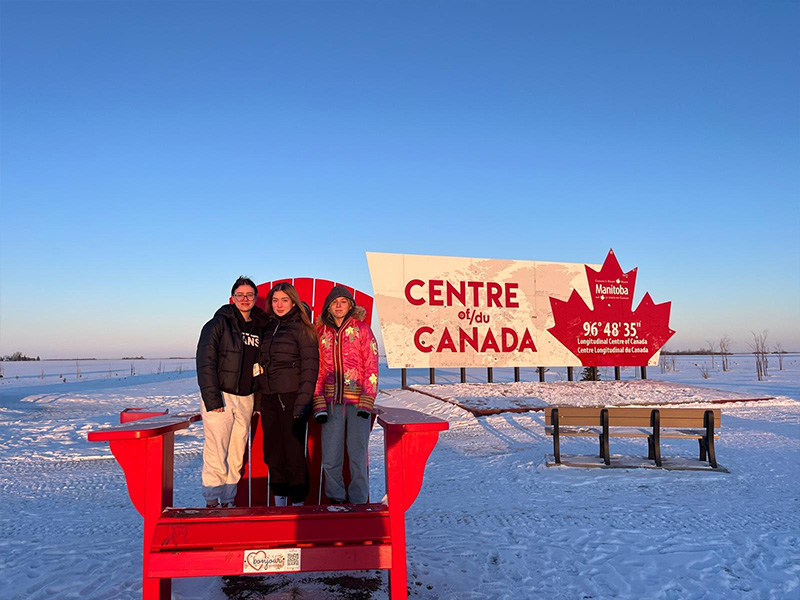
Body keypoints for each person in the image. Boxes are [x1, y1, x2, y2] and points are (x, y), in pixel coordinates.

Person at [196, 276, 268, 508]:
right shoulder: (217, 324)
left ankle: (228, 501)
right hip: (222, 396)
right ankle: (211, 500)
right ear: (232, 298)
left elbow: (260, 367)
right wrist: (212, 398)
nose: (245, 299)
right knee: (217, 450)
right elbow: (205, 362)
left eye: (249, 295)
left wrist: (257, 402)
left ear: (255, 299)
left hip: (245, 397)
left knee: (237, 453)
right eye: (240, 295)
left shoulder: (260, 327)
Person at [313, 286, 379, 504]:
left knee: (357, 455)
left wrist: (367, 400)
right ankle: (336, 499)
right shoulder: (321, 333)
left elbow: (371, 365)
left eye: (343, 301)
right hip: (331, 403)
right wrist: (319, 402)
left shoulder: (362, 329)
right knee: (331, 456)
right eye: (335, 302)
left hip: (358, 402)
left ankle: (359, 501)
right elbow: (318, 369)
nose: (339, 305)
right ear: (328, 307)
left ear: (350, 305)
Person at [257, 282, 319, 506]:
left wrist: (303, 402)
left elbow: (310, 367)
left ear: (293, 302)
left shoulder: (302, 329)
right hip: (270, 398)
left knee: (293, 453)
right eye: (275, 300)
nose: (279, 304)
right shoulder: (268, 327)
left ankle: (299, 503)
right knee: (272, 452)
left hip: (293, 397)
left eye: (284, 300)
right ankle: (280, 501)